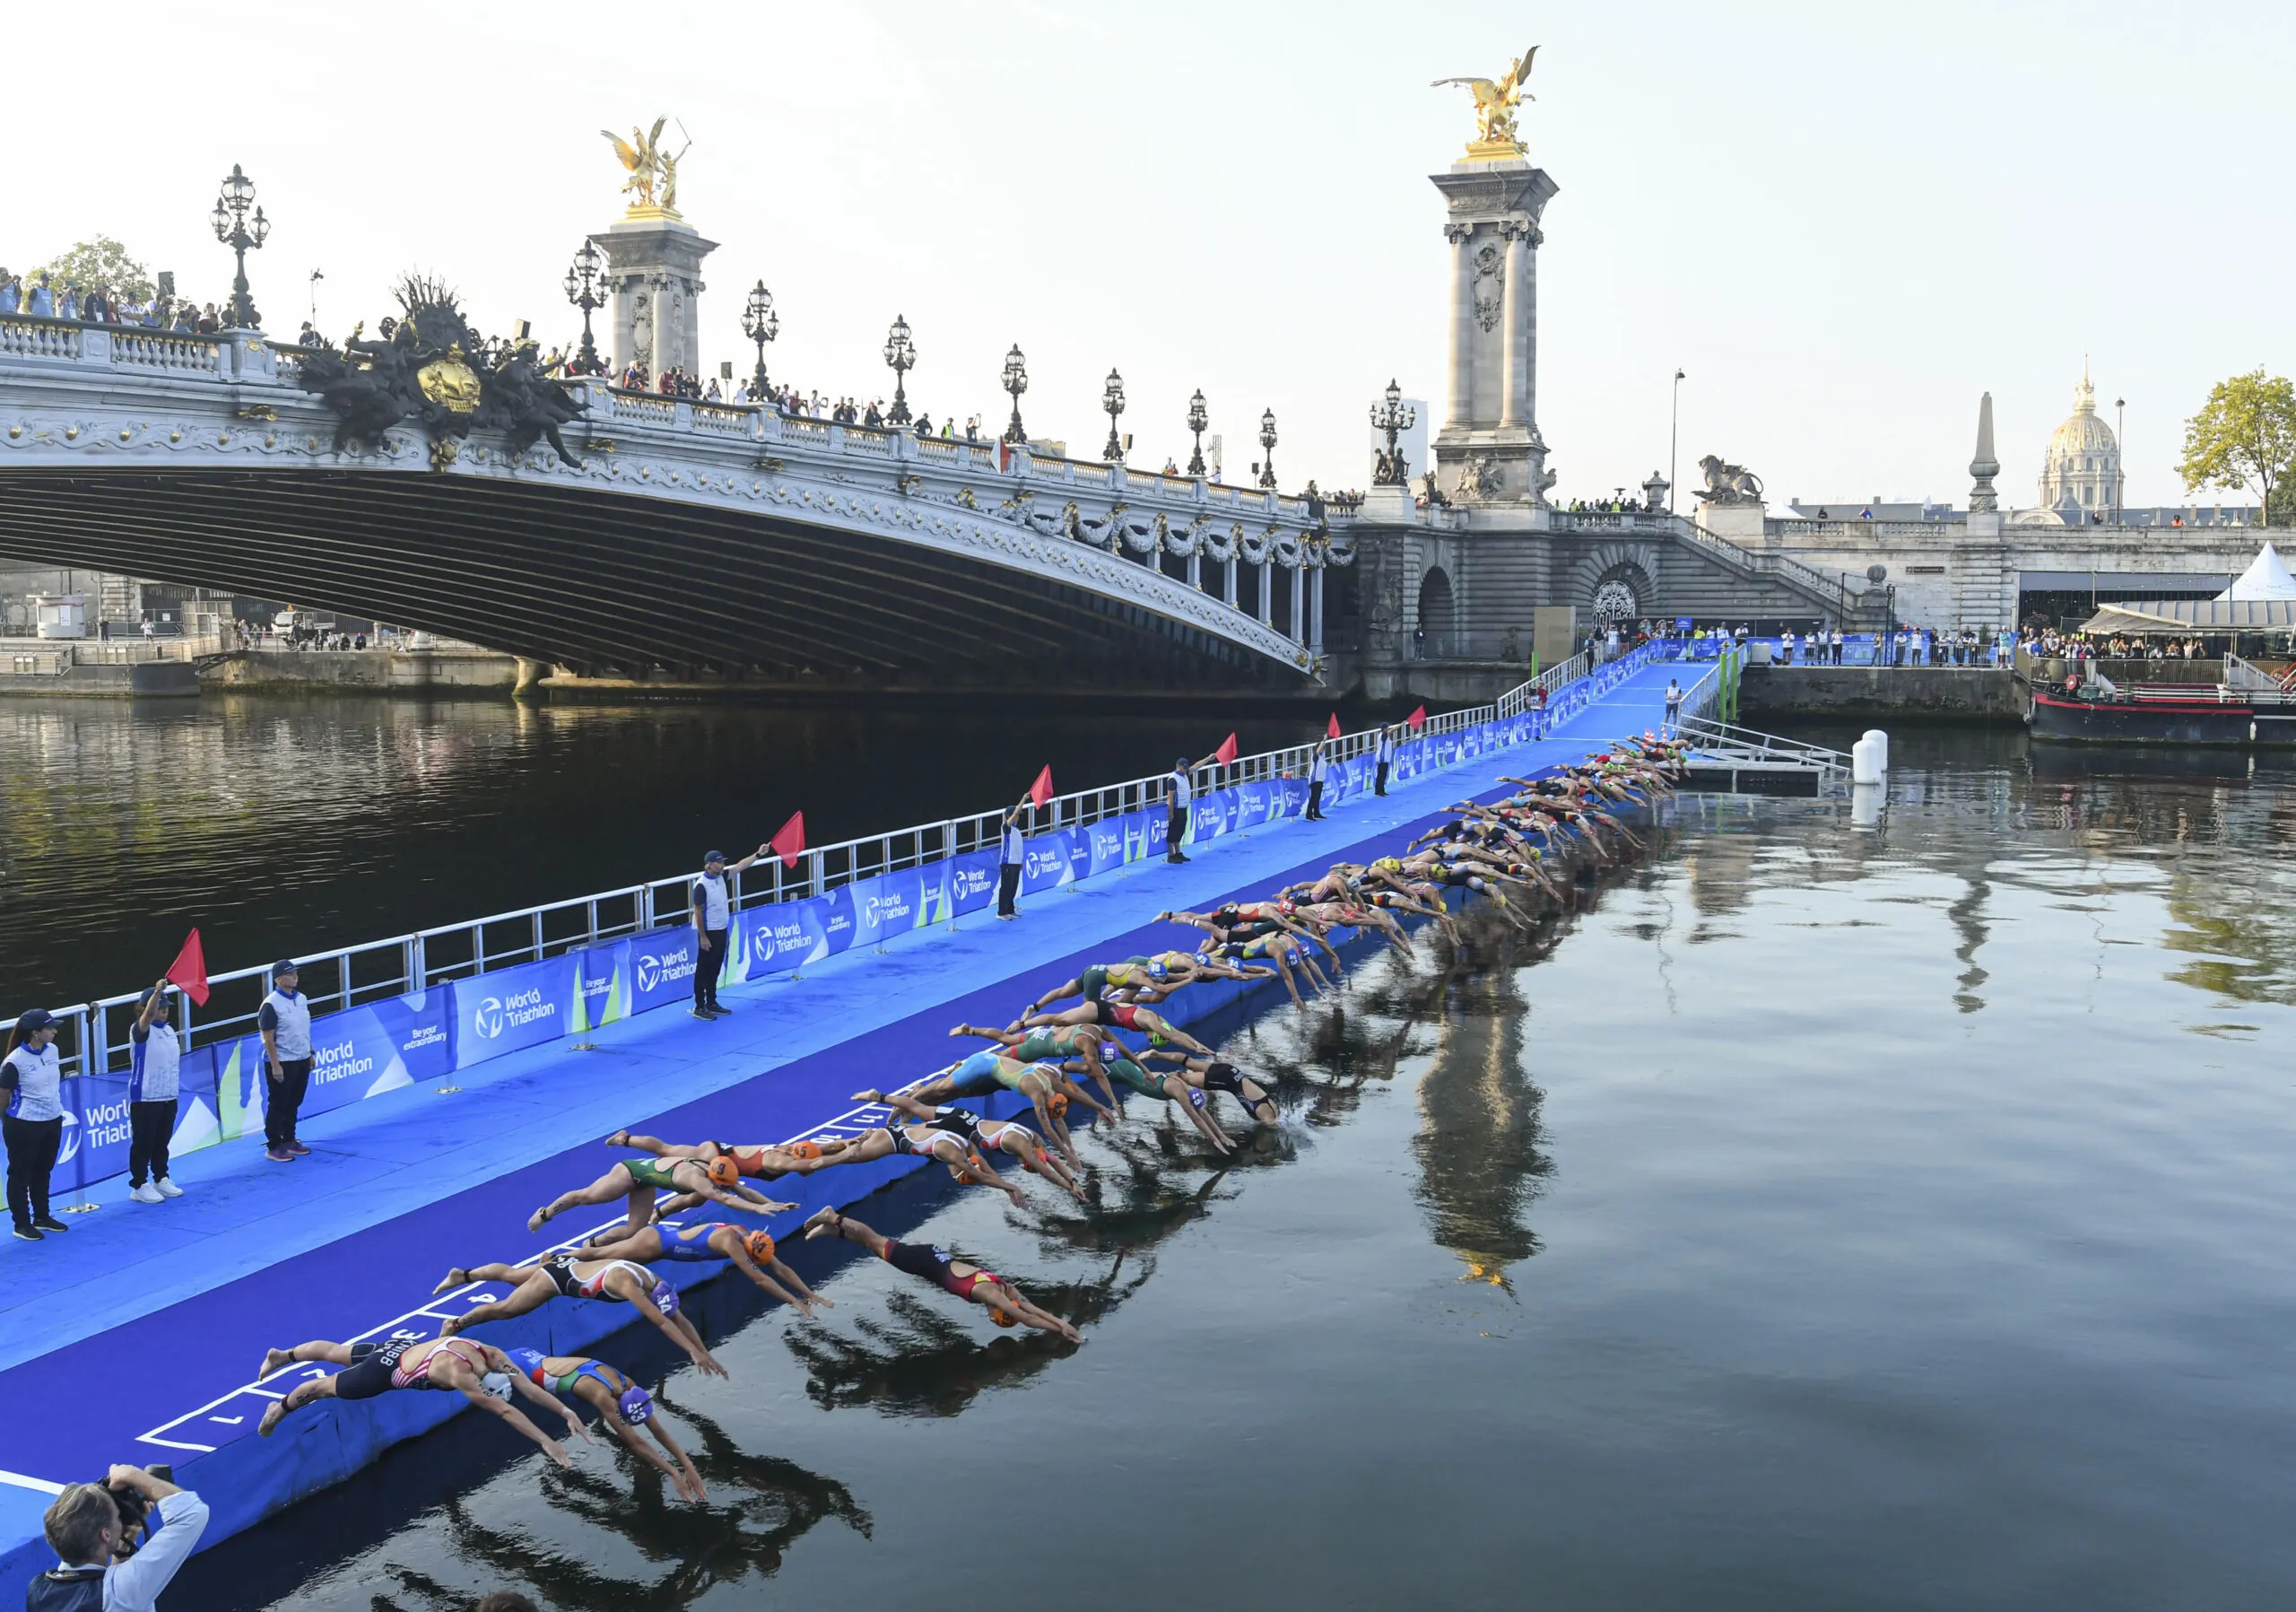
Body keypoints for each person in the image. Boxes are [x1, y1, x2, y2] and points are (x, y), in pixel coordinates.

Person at [255, 1335, 586, 1461]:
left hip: (400, 1347)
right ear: (483, 1383)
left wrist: (565, 1410)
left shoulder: (494, 1354)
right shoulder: (461, 1376)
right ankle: (277, 1411)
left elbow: (526, 1389)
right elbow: (506, 1412)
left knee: (335, 1351)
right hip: (384, 1371)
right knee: (321, 1388)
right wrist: (545, 1441)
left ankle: (282, 1354)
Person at [802, 1208, 1081, 1340]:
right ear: (998, 1311)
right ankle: (834, 1217)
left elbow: (1031, 1308)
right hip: (923, 1262)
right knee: (875, 1242)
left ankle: (834, 1231)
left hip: (934, 1256)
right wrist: (1059, 1330)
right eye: (994, 1318)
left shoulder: (1006, 1287)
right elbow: (1027, 1319)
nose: (989, 1316)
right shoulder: (992, 1295)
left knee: (877, 1248)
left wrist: (1062, 1324)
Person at [433, 1255, 729, 1376]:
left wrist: (703, 1351)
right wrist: (692, 1352)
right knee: (507, 1309)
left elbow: (675, 1317)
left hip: (568, 1265)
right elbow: (662, 1322)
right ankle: (456, 1323)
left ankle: (463, 1275)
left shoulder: (651, 1278)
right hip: (556, 1281)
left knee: (513, 1275)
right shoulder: (630, 1285)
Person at [500, 1349, 709, 1502]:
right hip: (516, 1365)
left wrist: (688, 1467)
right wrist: (673, 1473)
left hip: (531, 1355)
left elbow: (657, 1430)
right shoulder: (602, 1397)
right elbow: (635, 1443)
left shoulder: (627, 1384)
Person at [35, 1465, 209, 1612]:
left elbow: (108, 1590)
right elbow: (191, 1513)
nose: (122, 1520)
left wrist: (125, 1542)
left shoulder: (38, 1590)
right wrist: (131, 1474)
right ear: (106, 1534)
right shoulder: (120, 1592)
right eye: (118, 1516)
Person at [577, 1219, 831, 1317]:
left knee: (608, 1254)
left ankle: (583, 1249)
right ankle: (559, 1257)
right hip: (656, 1243)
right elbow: (760, 1280)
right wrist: (793, 1301)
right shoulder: (731, 1241)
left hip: (663, 1237)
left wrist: (809, 1294)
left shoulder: (746, 1234)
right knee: (600, 1256)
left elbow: (781, 1268)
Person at [525, 1151, 792, 1236]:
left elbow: (740, 1190)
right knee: (589, 1196)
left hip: (646, 1181)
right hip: (629, 1173)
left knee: (633, 1231)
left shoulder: (717, 1171)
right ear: (714, 1177)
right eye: (721, 1184)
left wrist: (772, 1203)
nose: (724, 1187)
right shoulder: (696, 1178)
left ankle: (593, 1246)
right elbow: (725, 1198)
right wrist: (758, 1210)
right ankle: (544, 1214)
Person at [3, 1009, 68, 1241]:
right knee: (20, 1173)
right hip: (24, 1124)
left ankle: (42, 1216)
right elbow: (3, 1094)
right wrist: (6, 1120)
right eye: (50, 1028)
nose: (55, 1031)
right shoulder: (14, 1062)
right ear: (35, 1033)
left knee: (43, 1170)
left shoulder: (53, 1050)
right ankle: (21, 1223)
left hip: (52, 1119)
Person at [691, 844, 770, 1019]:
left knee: (715, 968)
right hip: (709, 932)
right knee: (703, 970)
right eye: (719, 863)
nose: (722, 865)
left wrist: (758, 854)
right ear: (709, 865)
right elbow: (697, 911)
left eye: (722, 863)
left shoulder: (721, 877)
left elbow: (741, 866)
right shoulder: (701, 885)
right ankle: (699, 1006)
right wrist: (703, 937)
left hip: (721, 930)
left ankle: (712, 1002)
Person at [126, 981, 183, 1204]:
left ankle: (161, 1177)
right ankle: (139, 1184)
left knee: (162, 1140)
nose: (164, 1010)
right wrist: (158, 991)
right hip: (146, 1096)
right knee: (143, 1142)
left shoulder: (168, 1030)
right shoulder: (141, 1031)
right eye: (160, 1006)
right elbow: (149, 1014)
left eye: (166, 1006)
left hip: (168, 1094)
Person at [257, 960, 313, 1163]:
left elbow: (304, 1028)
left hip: (301, 1058)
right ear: (279, 979)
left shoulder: (302, 999)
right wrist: (275, 1065)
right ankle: (274, 1145)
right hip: (282, 1060)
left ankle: (289, 1139)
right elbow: (268, 1037)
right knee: (278, 1103)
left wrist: (310, 1053)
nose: (295, 977)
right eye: (290, 974)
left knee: (294, 1102)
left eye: (296, 973)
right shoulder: (271, 1004)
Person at [1165, 747, 1221, 865]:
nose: (1185, 770)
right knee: (1173, 832)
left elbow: (1197, 766)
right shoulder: (1173, 779)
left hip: (1184, 807)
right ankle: (1171, 855)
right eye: (1183, 768)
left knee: (1180, 831)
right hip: (1176, 808)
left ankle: (1179, 852)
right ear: (1178, 766)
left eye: (1186, 768)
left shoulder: (1184, 774)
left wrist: (1209, 758)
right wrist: (1170, 813)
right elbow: (1170, 797)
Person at [996, 790, 1031, 921]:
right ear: (1010, 816)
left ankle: (1010, 910)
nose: (1018, 817)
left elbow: (1018, 848)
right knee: (1006, 888)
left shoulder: (1016, 830)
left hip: (1016, 863)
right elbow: (1015, 812)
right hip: (1007, 863)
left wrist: (1020, 862)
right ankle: (1001, 912)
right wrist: (1024, 798)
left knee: (1013, 887)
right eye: (1016, 816)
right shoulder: (1006, 828)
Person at [1304, 739, 1333, 821]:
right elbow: (1317, 752)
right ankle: (1309, 814)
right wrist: (1324, 740)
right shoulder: (1315, 756)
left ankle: (1316, 812)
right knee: (1314, 797)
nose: (1323, 750)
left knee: (1317, 797)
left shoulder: (1321, 758)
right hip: (1315, 780)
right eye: (1322, 748)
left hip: (1320, 780)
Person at [1374, 723, 1396, 796]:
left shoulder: (1383, 734)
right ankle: (1378, 791)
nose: (1388, 729)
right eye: (1387, 728)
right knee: (1381, 775)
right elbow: (1392, 730)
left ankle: (1382, 789)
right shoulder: (1383, 735)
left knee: (1384, 775)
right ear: (1384, 729)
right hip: (1382, 758)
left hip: (1385, 758)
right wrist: (1401, 724)